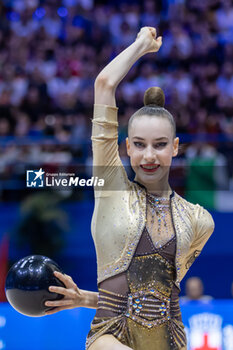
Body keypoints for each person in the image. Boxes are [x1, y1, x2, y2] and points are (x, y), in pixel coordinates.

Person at [45, 27, 215, 350]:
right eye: (139, 145)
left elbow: (154, 296)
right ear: (126, 148)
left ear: (175, 147)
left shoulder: (199, 221)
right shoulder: (111, 188)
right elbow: (104, 84)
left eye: (160, 145)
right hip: (110, 336)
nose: (149, 155)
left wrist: (85, 298)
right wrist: (140, 46)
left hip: (170, 341)